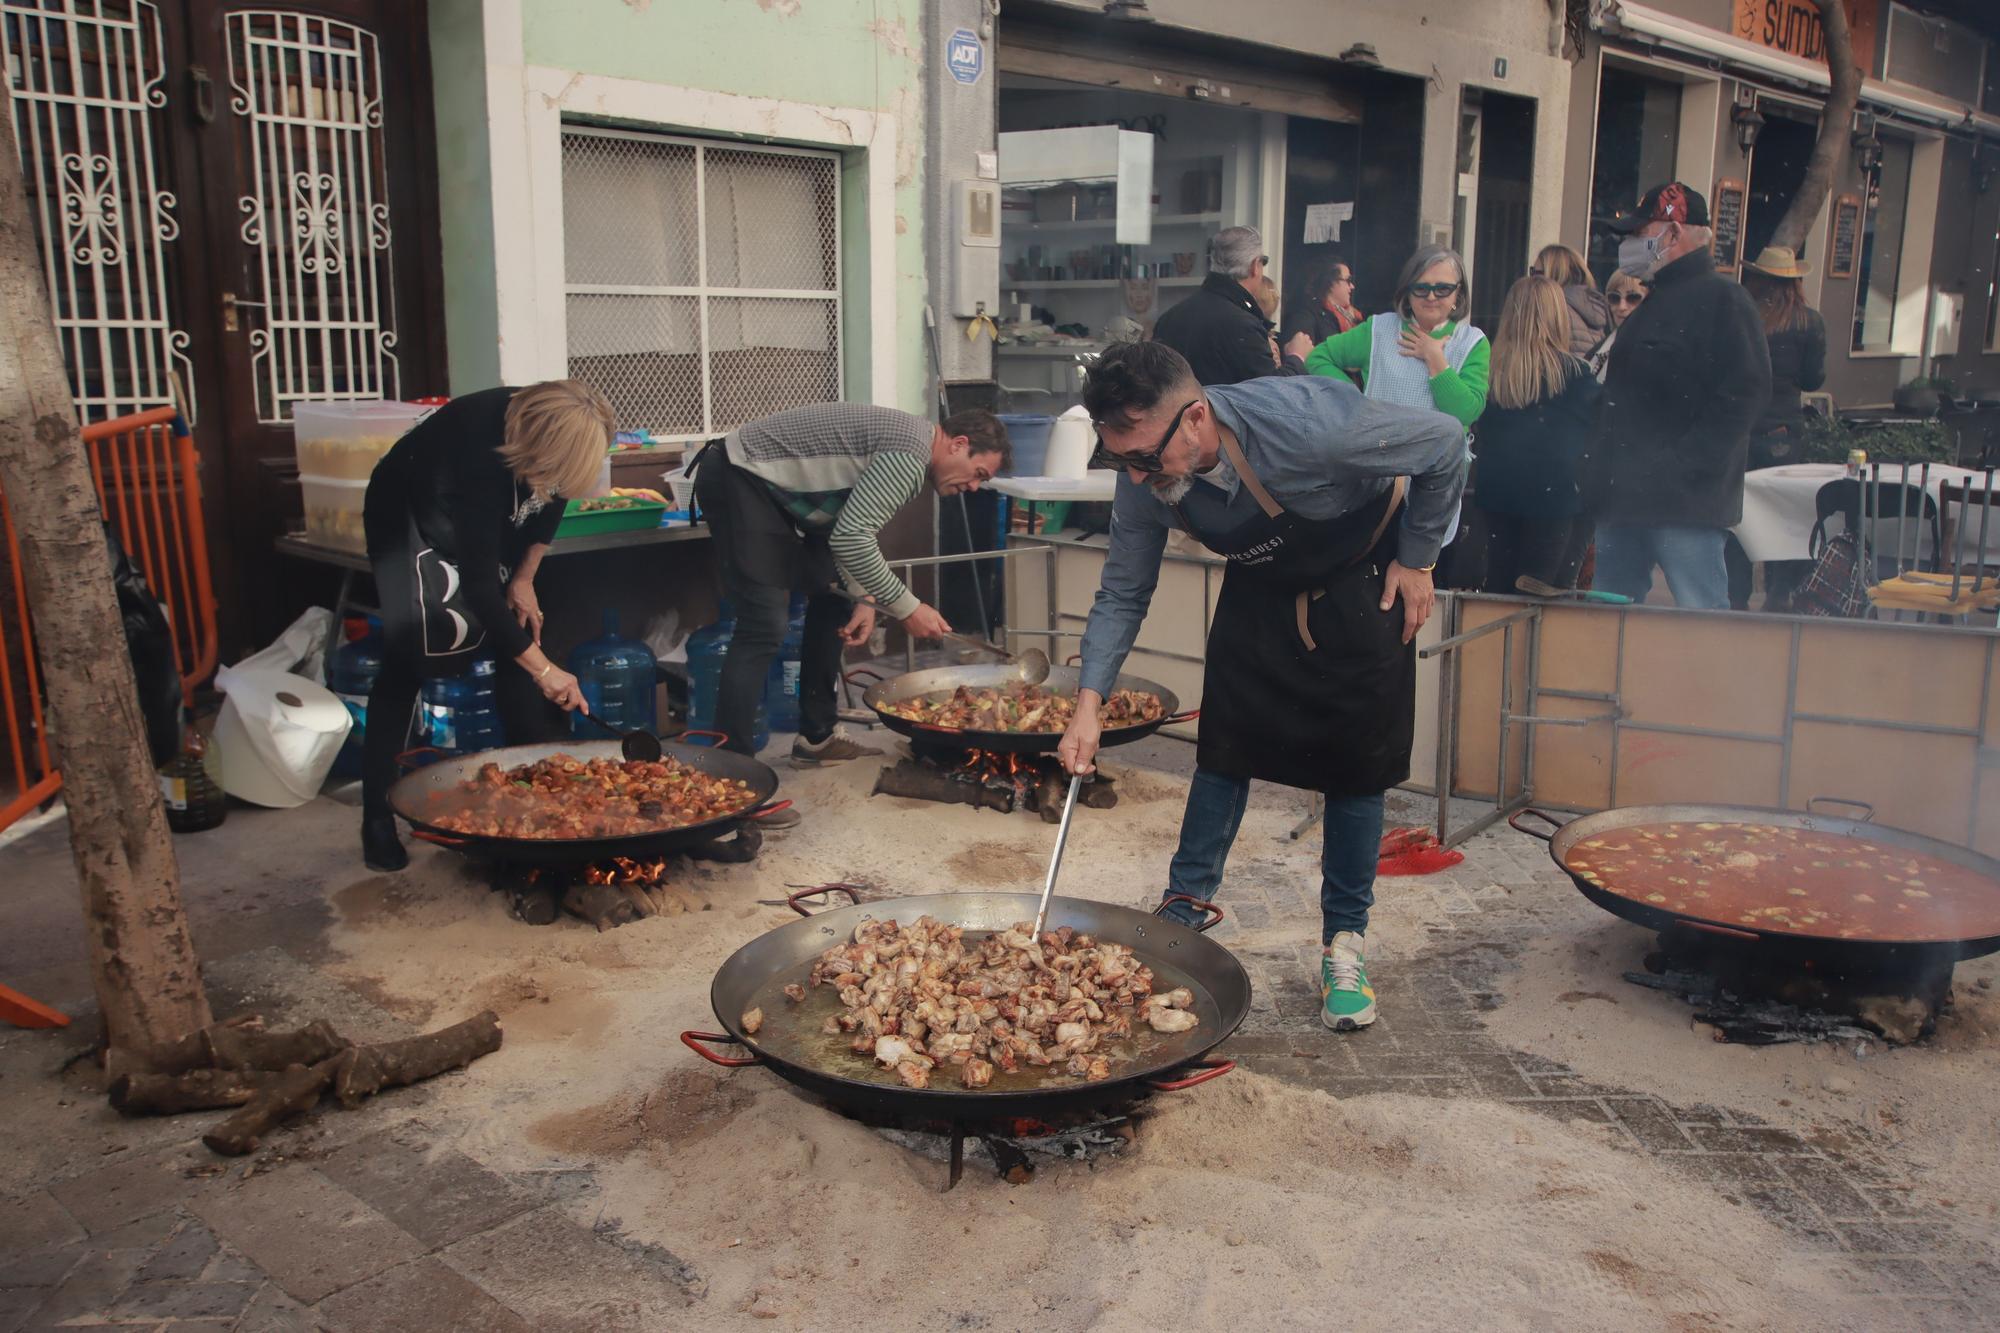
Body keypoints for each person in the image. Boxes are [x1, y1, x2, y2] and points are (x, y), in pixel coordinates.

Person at [1057, 341, 1466, 1031]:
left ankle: (1345, 943)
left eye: (1144, 458)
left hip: (1362, 577)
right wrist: (1087, 708)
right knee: (1225, 747)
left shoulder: (1312, 428)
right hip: (1261, 586)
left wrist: (1419, 558)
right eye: (1117, 458)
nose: (1133, 474)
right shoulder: (1143, 480)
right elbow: (1124, 589)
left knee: (1356, 767)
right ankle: (1183, 913)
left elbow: (1447, 443)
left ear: (1193, 419)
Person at [360, 381, 608, 872]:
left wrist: (524, 577)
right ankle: (375, 820)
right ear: (533, 448)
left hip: (481, 507)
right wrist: (546, 672)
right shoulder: (480, 456)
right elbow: (476, 588)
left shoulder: (556, 434)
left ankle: (528, 806)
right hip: (407, 510)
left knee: (521, 629)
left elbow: (551, 501)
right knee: (407, 659)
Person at [687, 403, 1010, 769]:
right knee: (763, 627)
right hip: (738, 476)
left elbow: (844, 524)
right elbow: (852, 539)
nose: (972, 486)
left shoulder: (911, 448)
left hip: (781, 496)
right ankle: (730, 772)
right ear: (958, 444)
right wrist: (908, 607)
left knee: (834, 598)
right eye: (977, 473)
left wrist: (865, 598)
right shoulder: (908, 456)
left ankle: (816, 737)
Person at [1593, 182, 1771, 609]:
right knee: (1604, 620)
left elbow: (1746, 393)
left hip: (1686, 504)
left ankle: (1708, 679)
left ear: (1673, 234)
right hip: (1626, 500)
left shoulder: (1724, 300)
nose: (1630, 244)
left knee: (1701, 618)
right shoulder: (1652, 304)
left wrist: (1686, 465)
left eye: (1640, 233)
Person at [1299, 244, 1488, 582]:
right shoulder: (1379, 330)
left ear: (1459, 295)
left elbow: (1466, 410)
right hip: (1374, 484)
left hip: (1433, 493)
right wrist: (1356, 404)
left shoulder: (1472, 342)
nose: (1431, 296)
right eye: (1422, 287)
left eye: (1442, 288)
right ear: (1408, 290)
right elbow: (1318, 358)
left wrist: (1435, 359)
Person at [1470, 276, 1604, 596]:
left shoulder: (1488, 371)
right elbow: (1601, 429)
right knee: (1543, 594)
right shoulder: (1574, 373)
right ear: (1557, 316)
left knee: (1499, 588)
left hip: (1497, 493)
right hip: (1554, 498)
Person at [1726, 244, 1828, 609]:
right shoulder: (1808, 322)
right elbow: (1813, 379)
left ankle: (1736, 594)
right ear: (1795, 282)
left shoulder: (1742, 317)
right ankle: (1778, 592)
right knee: (1783, 515)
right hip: (1782, 431)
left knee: (1737, 516)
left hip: (1741, 428)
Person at [1152, 225, 1303, 384]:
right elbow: (1271, 391)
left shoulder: (1169, 318)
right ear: (1254, 266)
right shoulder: (1243, 326)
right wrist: (1297, 357)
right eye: (1263, 262)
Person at [1532, 243, 1612, 359]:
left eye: (1537, 273)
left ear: (1557, 274)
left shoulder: (1555, 308)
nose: (1532, 279)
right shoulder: (1595, 307)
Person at [1282, 262, 1363, 350]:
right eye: (1348, 280)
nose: (1352, 286)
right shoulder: (1305, 316)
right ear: (1331, 283)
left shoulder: (1353, 317)